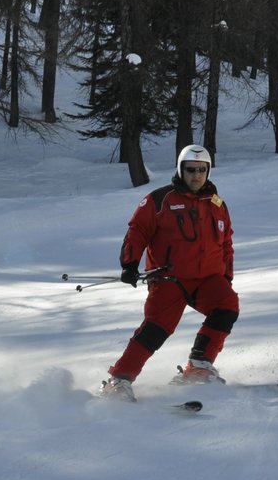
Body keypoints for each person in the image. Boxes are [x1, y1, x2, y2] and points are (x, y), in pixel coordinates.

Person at [101, 145, 238, 400]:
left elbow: (226, 243)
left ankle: (198, 367)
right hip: (169, 279)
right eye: (190, 170)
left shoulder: (217, 204)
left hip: (207, 279)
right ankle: (117, 382)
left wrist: (225, 276)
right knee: (156, 328)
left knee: (227, 306)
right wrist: (130, 264)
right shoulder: (160, 199)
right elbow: (138, 230)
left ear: (208, 171)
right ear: (180, 169)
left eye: (201, 170)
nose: (196, 175)